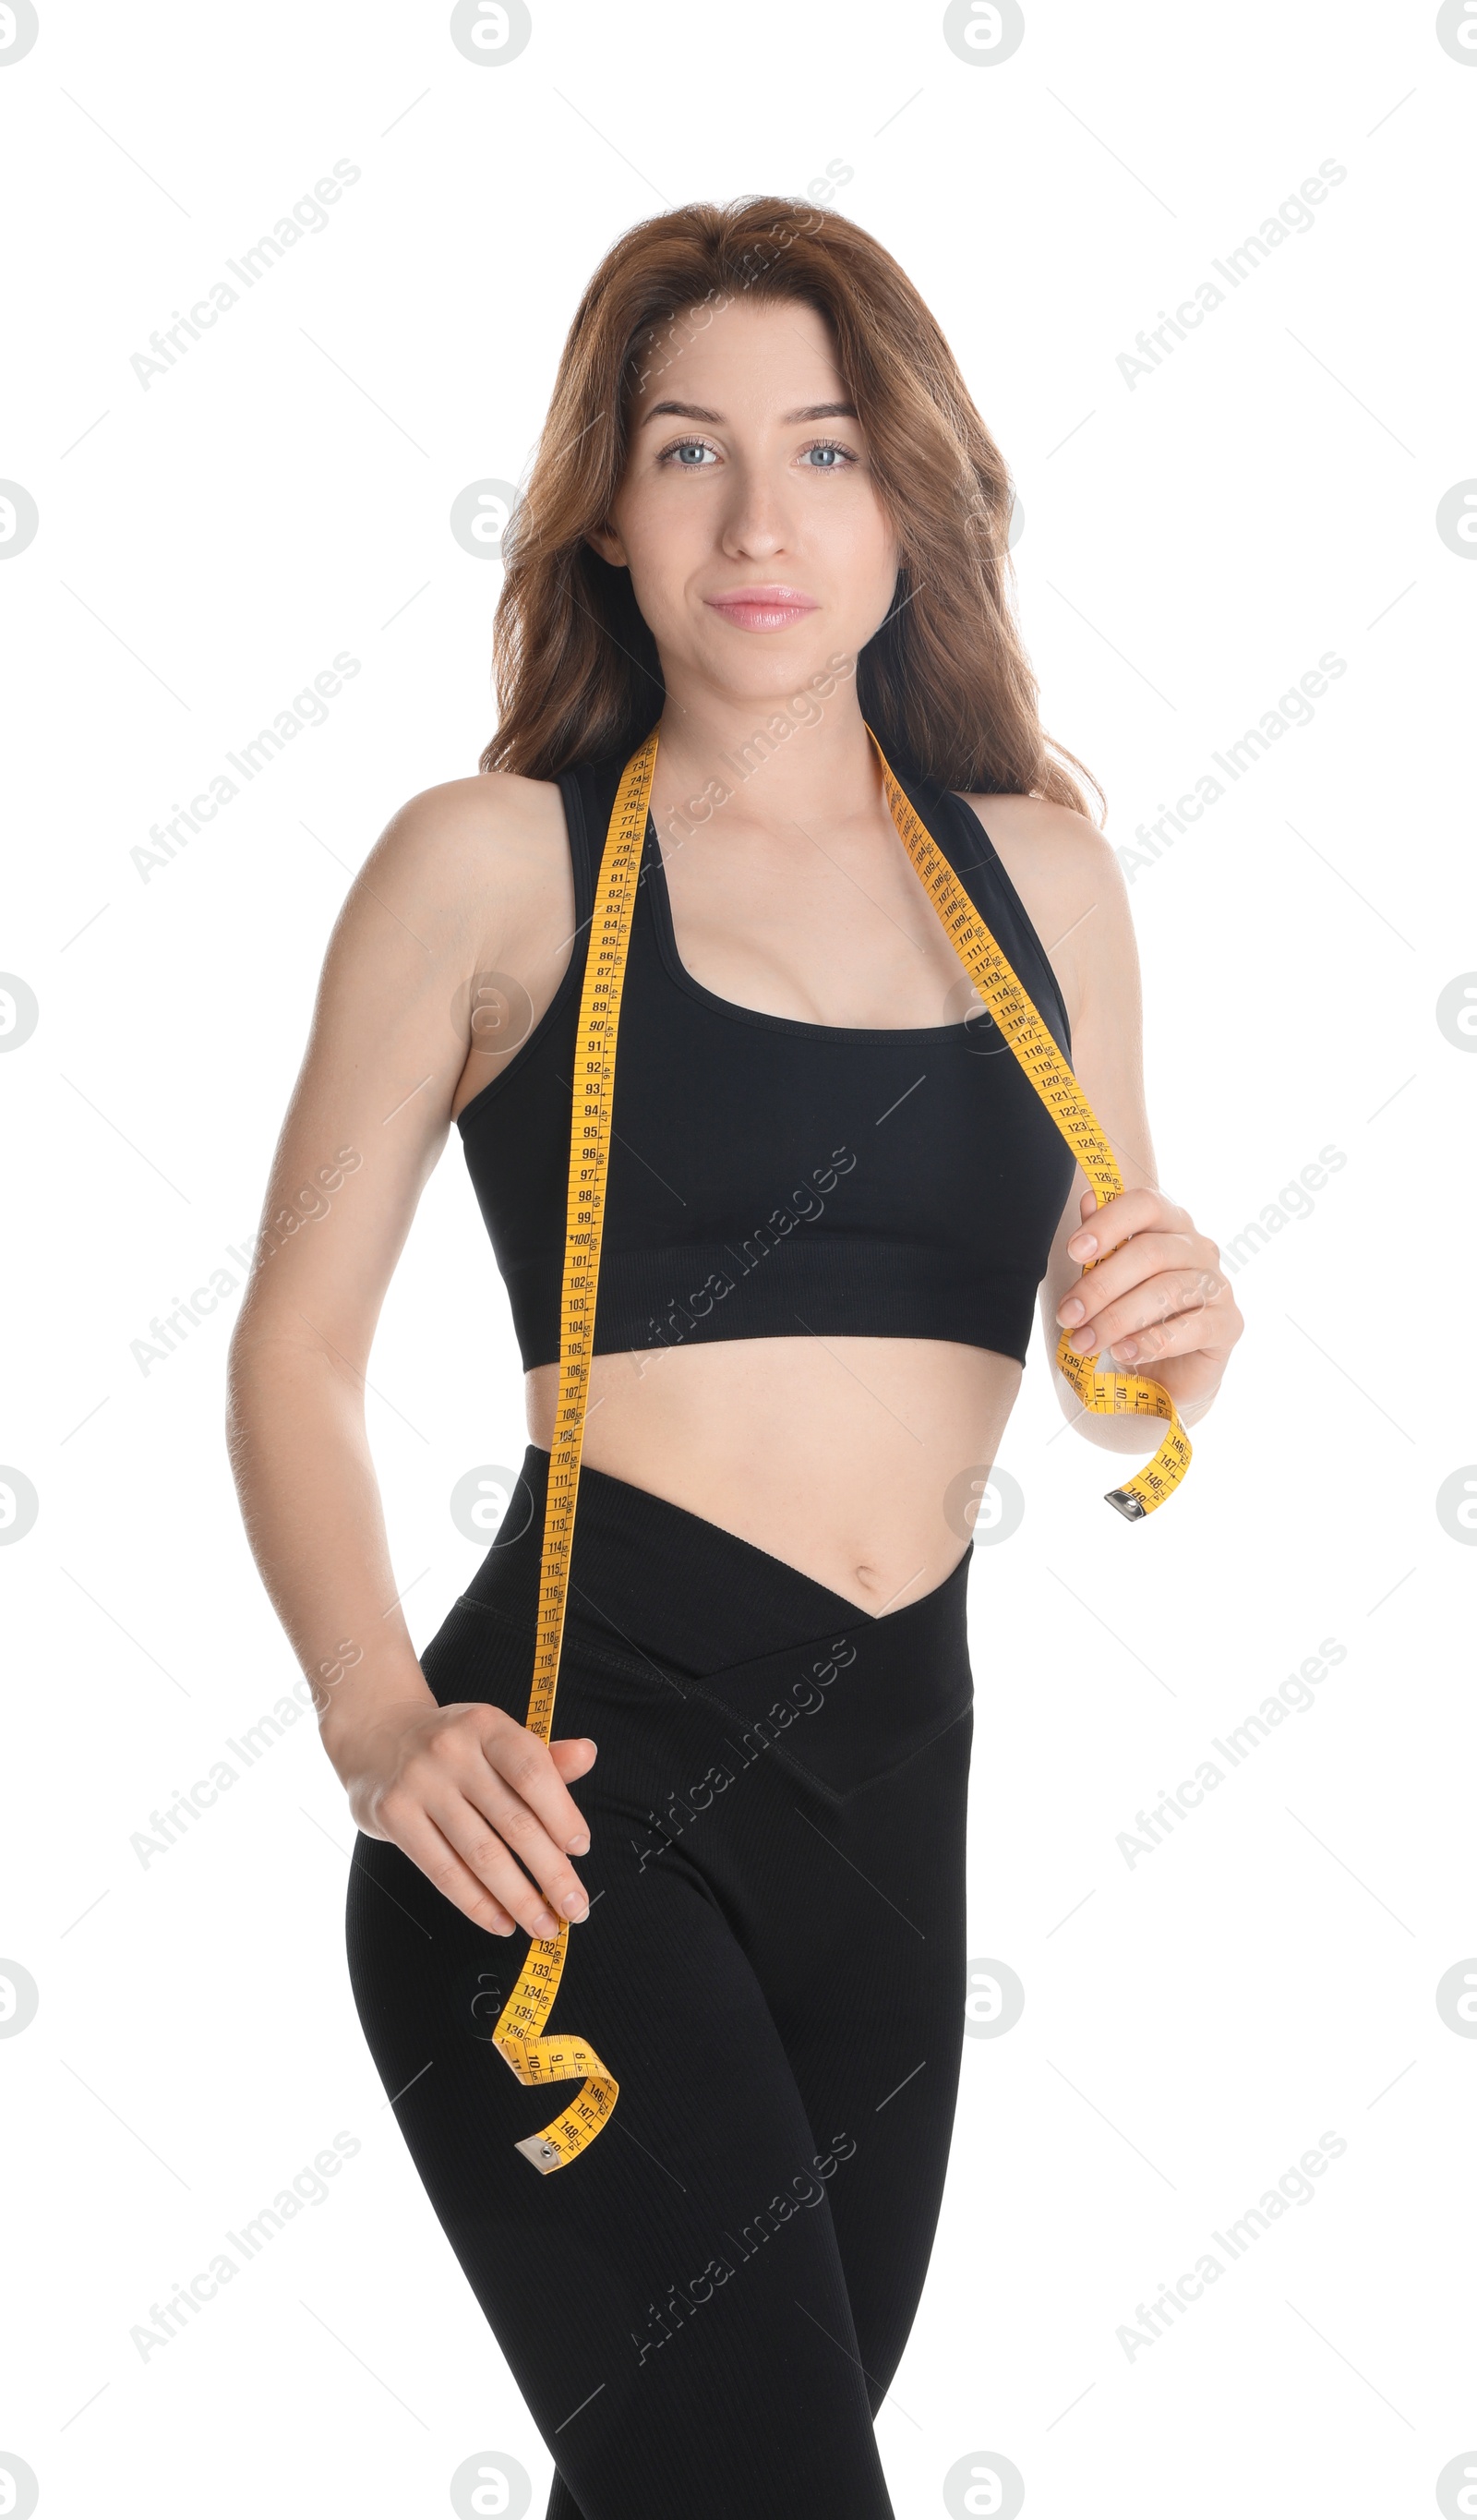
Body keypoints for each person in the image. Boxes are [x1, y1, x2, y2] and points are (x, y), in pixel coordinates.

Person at [225, 196, 1243, 2520]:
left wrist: (1165, 1352)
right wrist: (383, 1719)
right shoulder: (490, 867)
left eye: (824, 448)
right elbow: (292, 1349)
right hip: (573, 1813)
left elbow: (1107, 1356)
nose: (760, 519)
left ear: (913, 500)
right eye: (690, 452)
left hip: (897, 1827)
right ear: (602, 502)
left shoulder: (1042, 881)